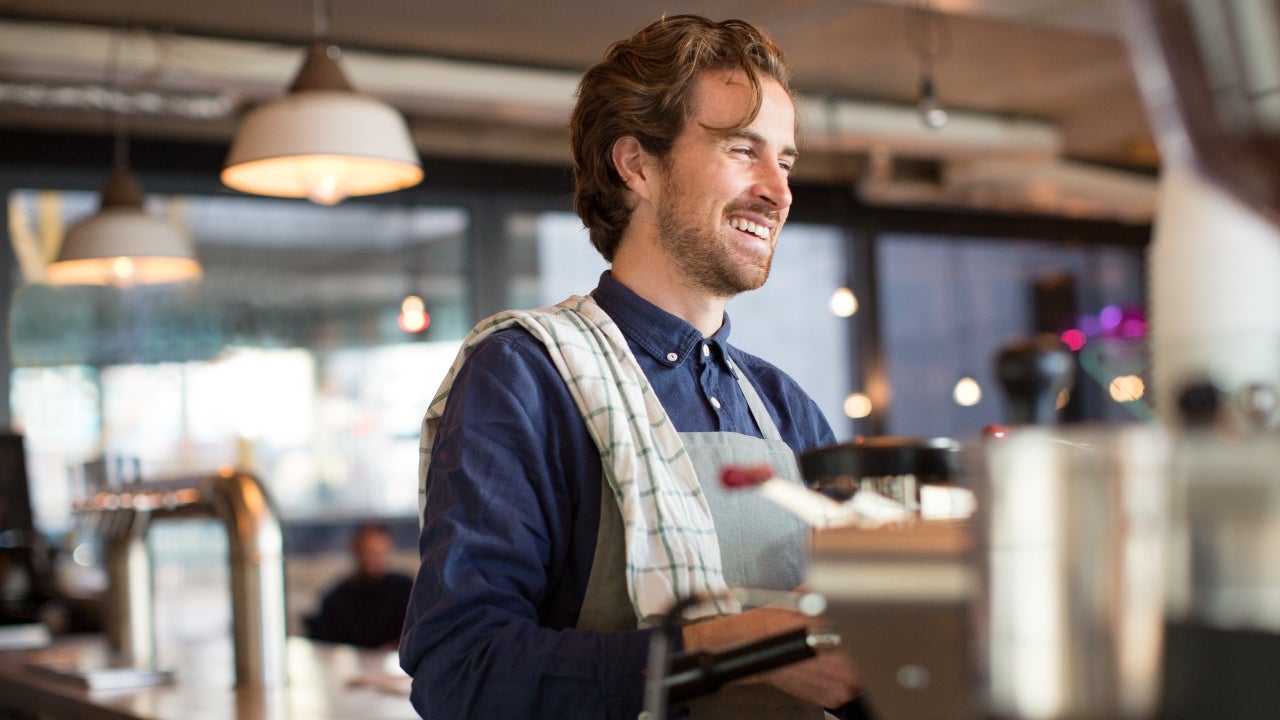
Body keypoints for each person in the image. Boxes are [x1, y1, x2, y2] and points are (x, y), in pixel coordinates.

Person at [400, 14, 863, 719]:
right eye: (744, 150)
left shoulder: (785, 406)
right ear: (637, 164)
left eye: (787, 160)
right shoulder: (526, 376)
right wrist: (729, 652)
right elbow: (460, 671)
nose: (778, 190)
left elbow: (859, 655)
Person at [309, 522, 413, 649]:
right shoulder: (335, 600)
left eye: (380, 553)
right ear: (355, 549)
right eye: (369, 552)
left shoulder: (405, 589)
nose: (374, 559)